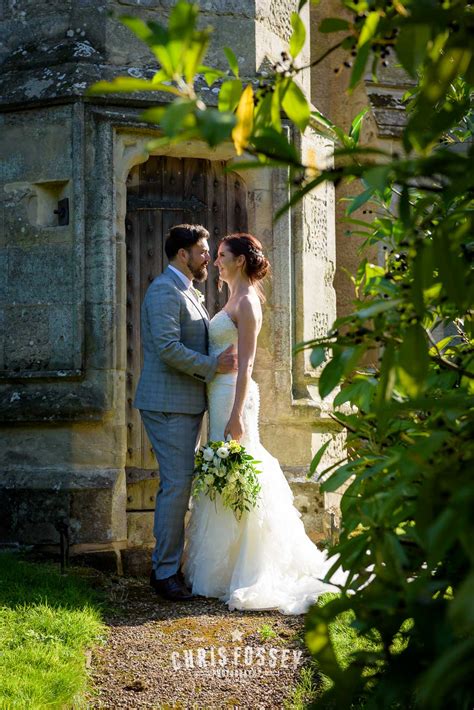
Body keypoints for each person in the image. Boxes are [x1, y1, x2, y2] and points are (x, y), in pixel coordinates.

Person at [183, 233, 343, 614]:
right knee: (228, 470)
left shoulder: (249, 302)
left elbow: (248, 364)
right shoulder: (230, 298)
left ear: (239, 261)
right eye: (216, 255)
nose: (216, 261)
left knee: (242, 468)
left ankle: (250, 568)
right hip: (218, 393)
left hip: (234, 397)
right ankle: (222, 567)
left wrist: (237, 413)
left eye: (222, 256)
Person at [133, 224, 237, 601]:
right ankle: (164, 573)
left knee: (180, 485)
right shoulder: (164, 290)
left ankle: (168, 567)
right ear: (183, 254)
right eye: (202, 250)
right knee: (176, 487)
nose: (207, 256)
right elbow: (167, 348)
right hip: (167, 405)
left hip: (185, 404)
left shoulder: (187, 290)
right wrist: (215, 367)